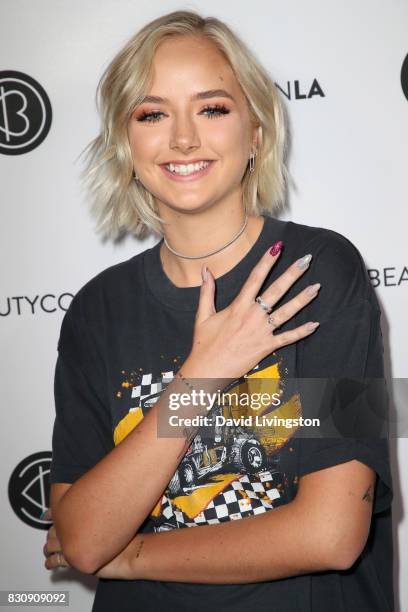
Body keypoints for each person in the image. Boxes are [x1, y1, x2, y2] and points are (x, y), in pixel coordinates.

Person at [43, 9, 394, 612]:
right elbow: (80, 536)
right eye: (152, 113)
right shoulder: (97, 311)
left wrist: (128, 555)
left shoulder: (320, 270)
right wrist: (201, 377)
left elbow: (332, 534)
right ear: (125, 142)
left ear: (256, 130)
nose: (183, 138)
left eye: (212, 108)